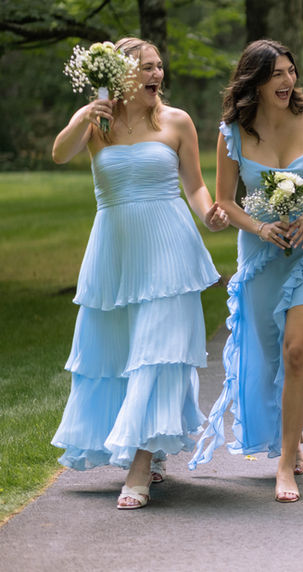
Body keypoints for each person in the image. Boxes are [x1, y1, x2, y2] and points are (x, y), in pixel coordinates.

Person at [51, 37, 228, 510]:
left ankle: (139, 467)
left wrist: (209, 212)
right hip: (114, 251)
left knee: (157, 353)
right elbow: (59, 154)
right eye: (146, 68)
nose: (157, 75)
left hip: (169, 251)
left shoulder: (176, 121)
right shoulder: (97, 122)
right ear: (121, 75)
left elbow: (193, 184)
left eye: (159, 67)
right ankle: (145, 445)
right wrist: (85, 116)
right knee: (117, 355)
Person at [189, 39, 303, 504]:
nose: (287, 81)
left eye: (290, 71)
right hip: (261, 255)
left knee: (297, 349)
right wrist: (260, 227)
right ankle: (289, 432)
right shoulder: (232, 132)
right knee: (266, 355)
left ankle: (285, 461)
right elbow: (224, 201)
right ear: (255, 82)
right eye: (276, 74)